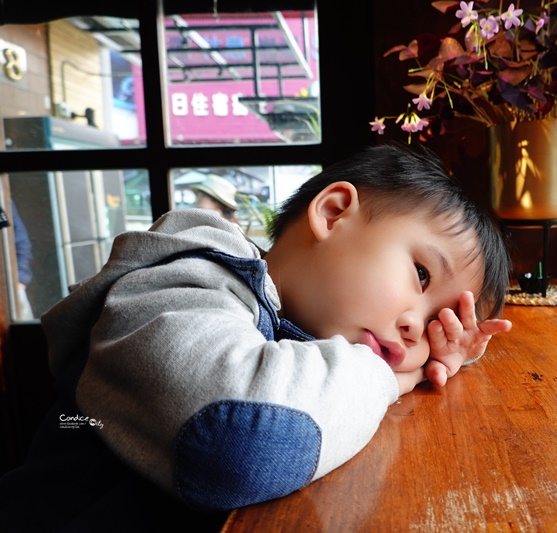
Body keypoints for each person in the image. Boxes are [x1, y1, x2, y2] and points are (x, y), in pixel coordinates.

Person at [0, 143, 512, 532]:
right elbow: (237, 436)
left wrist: (439, 361)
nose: (415, 327)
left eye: (439, 321)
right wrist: (389, 376)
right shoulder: (188, 276)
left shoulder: (309, 327)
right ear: (333, 212)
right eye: (421, 276)